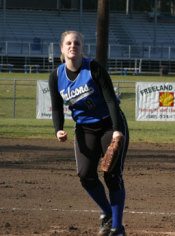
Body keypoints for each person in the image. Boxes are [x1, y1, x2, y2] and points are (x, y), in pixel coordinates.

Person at [49, 30, 129, 236]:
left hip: (110, 125)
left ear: (82, 47)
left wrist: (117, 132)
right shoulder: (56, 75)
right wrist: (58, 129)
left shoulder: (93, 68)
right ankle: (107, 212)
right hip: (85, 129)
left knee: (112, 175)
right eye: (68, 43)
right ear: (62, 48)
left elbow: (111, 100)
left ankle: (117, 228)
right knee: (85, 175)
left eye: (76, 43)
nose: (72, 46)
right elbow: (57, 107)